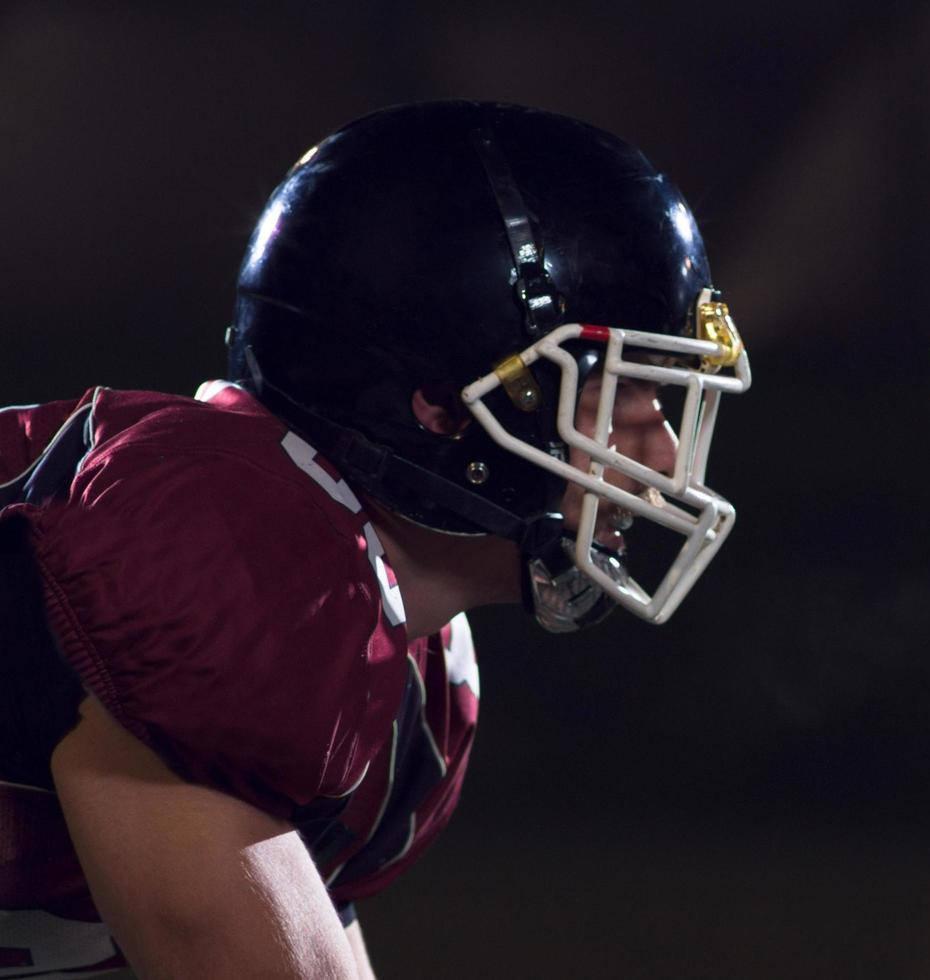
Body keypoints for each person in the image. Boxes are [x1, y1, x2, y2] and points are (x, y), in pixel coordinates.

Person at [0, 101, 751, 978]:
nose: (662, 454)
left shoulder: (410, 671)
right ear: (438, 407)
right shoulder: (250, 552)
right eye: (615, 401)